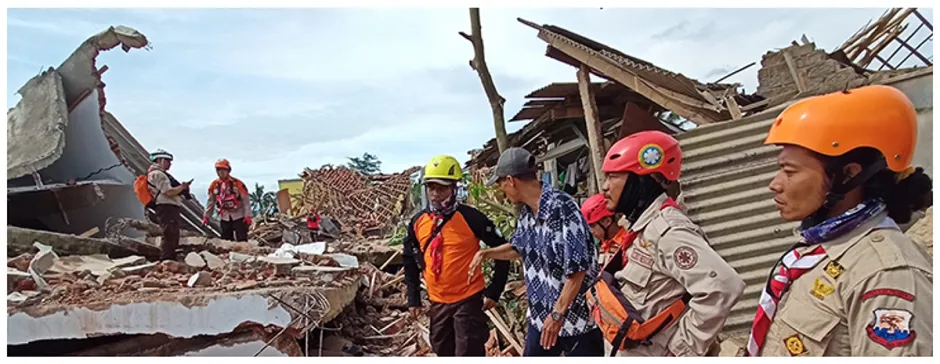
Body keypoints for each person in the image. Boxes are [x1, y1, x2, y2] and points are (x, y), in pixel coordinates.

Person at [746, 85, 932, 357]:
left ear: (848, 175)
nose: (774, 184)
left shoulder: (887, 274)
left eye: (789, 171)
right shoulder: (823, 250)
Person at [598, 130, 745, 356]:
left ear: (640, 181)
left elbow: (724, 286)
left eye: (613, 176)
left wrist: (680, 352)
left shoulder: (667, 230)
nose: (605, 187)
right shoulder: (641, 229)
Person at [471, 147, 604, 357]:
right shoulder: (527, 214)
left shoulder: (563, 209)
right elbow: (518, 247)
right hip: (540, 318)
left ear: (511, 180)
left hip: (575, 321)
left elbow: (578, 270)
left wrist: (557, 314)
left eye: (500, 183)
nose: (501, 189)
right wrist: (486, 254)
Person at [401, 155, 510, 357]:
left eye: (441, 189)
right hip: (438, 300)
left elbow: (503, 250)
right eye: (431, 188)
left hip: (468, 298)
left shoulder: (471, 218)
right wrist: (414, 298)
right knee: (442, 348)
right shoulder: (418, 222)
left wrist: (495, 291)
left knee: (467, 350)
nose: (435, 194)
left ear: (453, 189)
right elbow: (409, 259)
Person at [146, 149, 193, 260]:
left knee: (172, 232)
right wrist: (182, 187)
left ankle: (170, 257)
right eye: (167, 160)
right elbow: (168, 192)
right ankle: (166, 258)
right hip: (166, 206)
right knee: (169, 233)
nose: (169, 164)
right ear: (159, 160)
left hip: (168, 206)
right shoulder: (158, 174)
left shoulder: (158, 174)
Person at [203, 159, 252, 242]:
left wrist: (247, 215)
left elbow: (246, 201)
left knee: (242, 239)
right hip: (225, 216)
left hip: (239, 215)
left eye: (223, 169)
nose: (221, 172)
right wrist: (206, 216)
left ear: (228, 170)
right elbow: (211, 202)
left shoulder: (238, 183)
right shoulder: (214, 185)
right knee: (226, 240)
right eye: (218, 170)